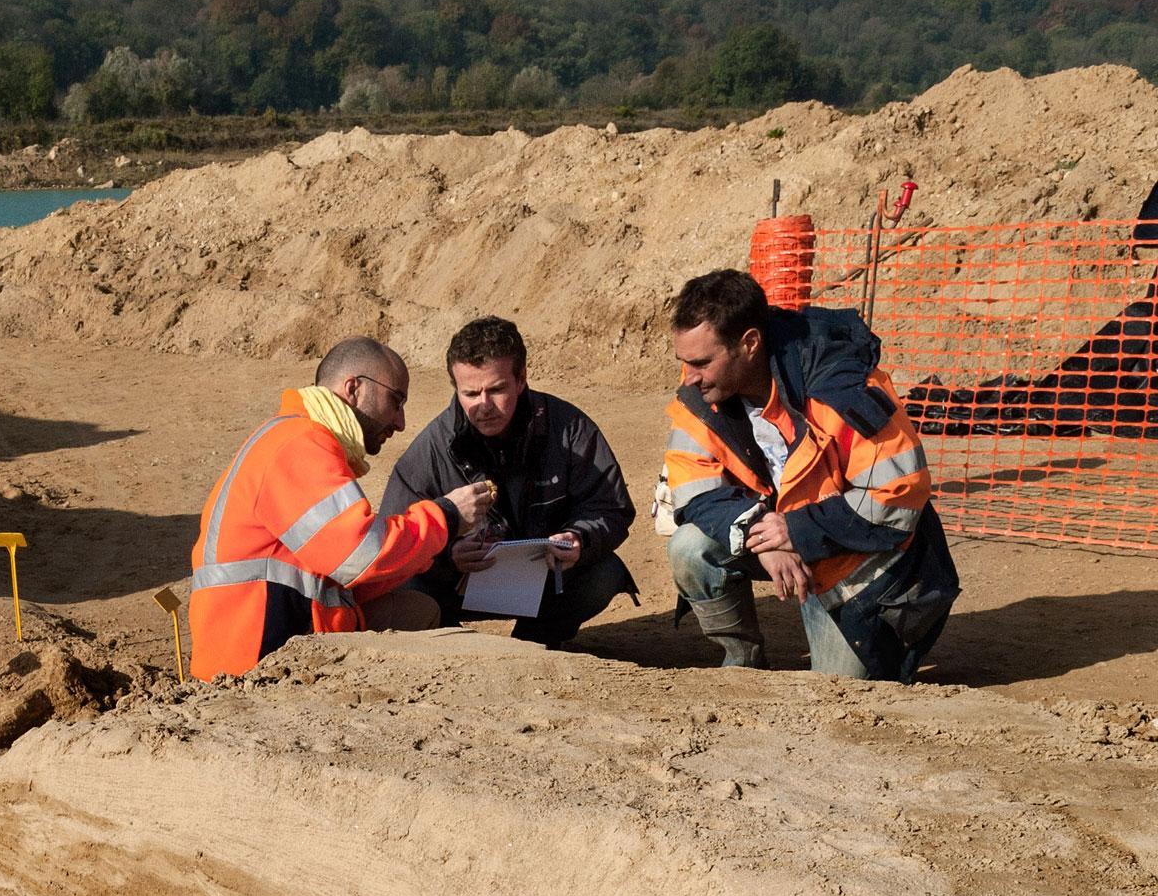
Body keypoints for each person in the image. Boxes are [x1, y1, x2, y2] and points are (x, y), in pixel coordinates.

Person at [664, 269, 959, 682]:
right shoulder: (705, 387)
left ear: (749, 344)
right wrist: (758, 530)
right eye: (684, 361)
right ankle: (742, 666)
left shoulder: (843, 386)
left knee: (839, 692)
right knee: (689, 548)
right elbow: (693, 486)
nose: (689, 376)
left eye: (700, 362)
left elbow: (896, 498)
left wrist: (795, 530)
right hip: (780, 533)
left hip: (859, 562)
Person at [188, 336, 495, 680]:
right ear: (353, 389)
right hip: (253, 657)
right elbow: (360, 556)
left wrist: (436, 553)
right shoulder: (300, 444)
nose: (400, 422)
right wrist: (447, 515)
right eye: (396, 401)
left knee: (418, 611)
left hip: (277, 634)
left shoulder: (300, 439)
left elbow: (347, 572)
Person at [382, 316, 638, 648]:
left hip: (545, 579)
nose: (483, 405)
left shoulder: (570, 429)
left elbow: (611, 508)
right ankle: (462, 651)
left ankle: (533, 645)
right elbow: (391, 540)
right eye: (470, 393)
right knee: (405, 586)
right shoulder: (432, 448)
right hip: (456, 583)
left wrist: (578, 538)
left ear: (521, 379)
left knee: (605, 572)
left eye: (497, 389)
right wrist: (447, 555)